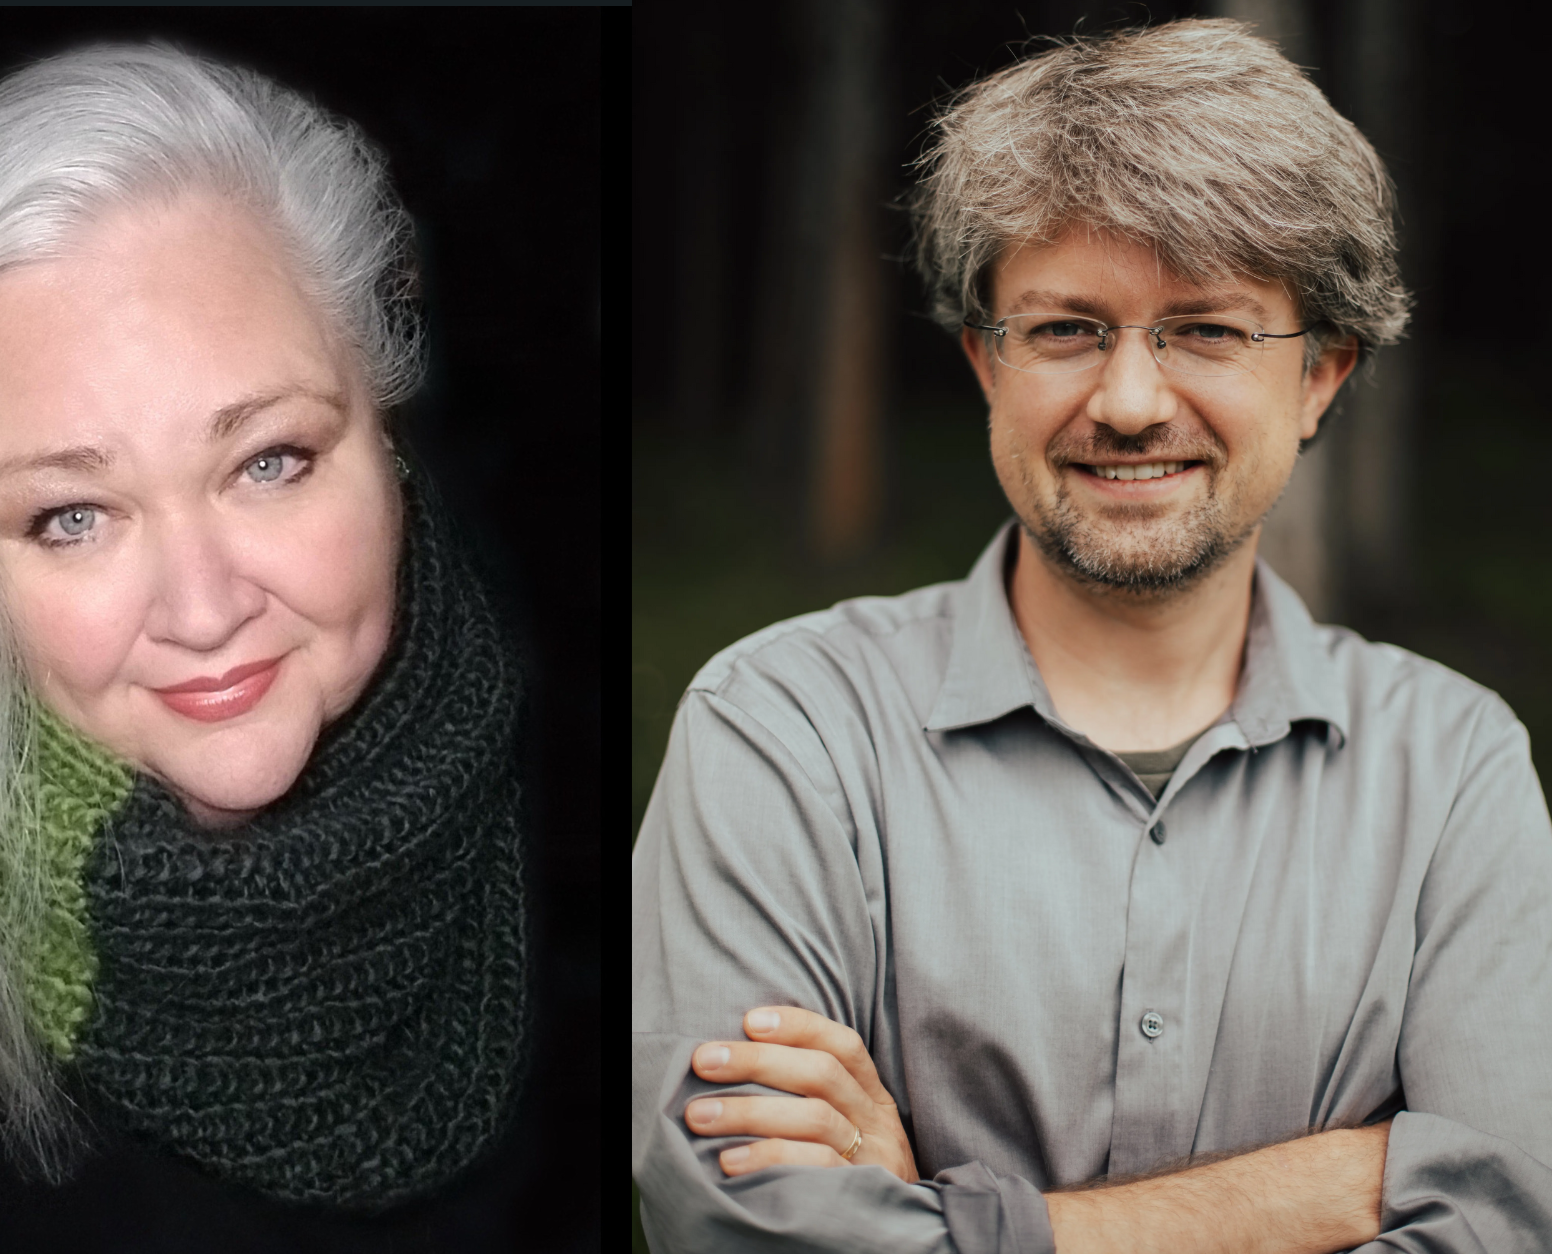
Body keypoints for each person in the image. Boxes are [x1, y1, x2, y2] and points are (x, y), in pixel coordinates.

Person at [632, 19, 1551, 1253]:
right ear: (984, 363)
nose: (1127, 403)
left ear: (1322, 374)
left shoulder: (1453, 768)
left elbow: (1508, 1218)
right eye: (1066, 328)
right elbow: (741, 1230)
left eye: (1207, 330)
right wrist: (1339, 1186)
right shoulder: (780, 727)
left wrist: (943, 1223)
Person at [0, 41, 527, 1224]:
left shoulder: (578, 823)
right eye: (71, 516)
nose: (203, 607)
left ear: (383, 429)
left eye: (268, 461)